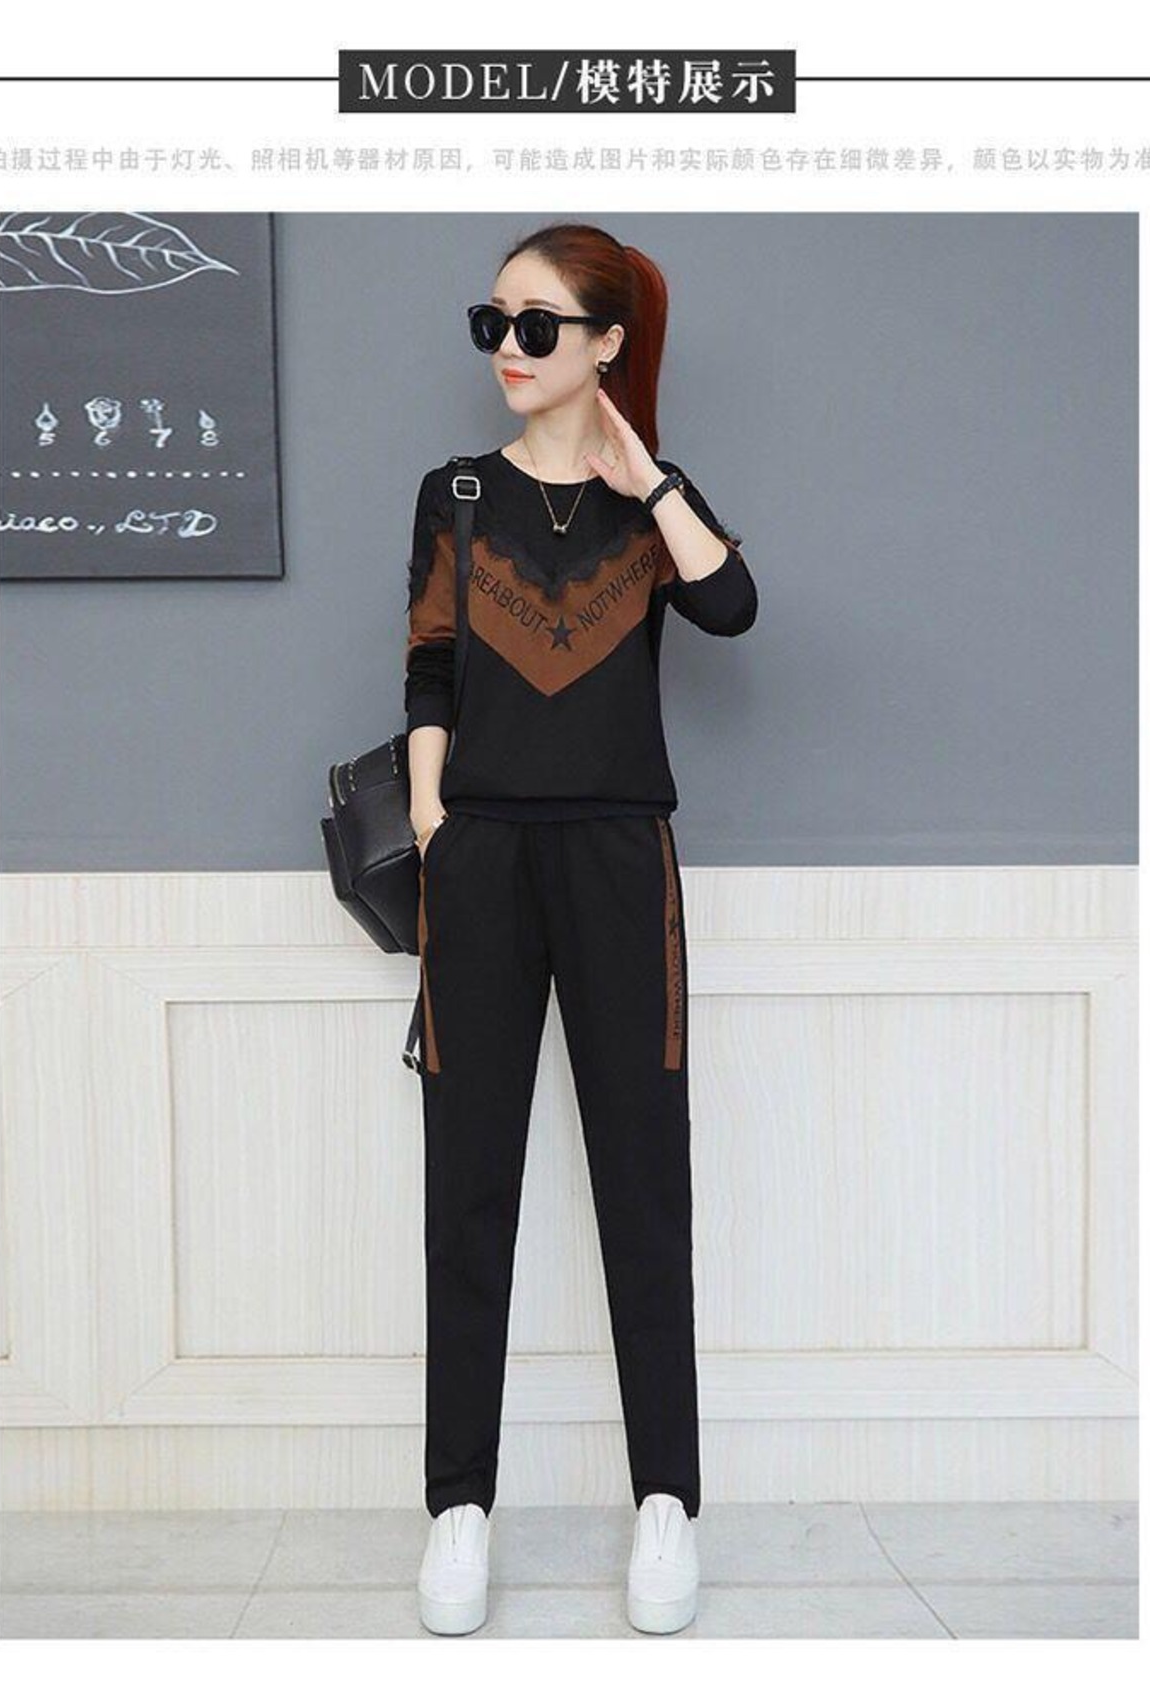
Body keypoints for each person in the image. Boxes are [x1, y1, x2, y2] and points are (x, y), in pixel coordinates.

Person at [405, 221, 759, 1636]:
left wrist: (647, 476)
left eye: (539, 325)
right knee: (466, 1188)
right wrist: (433, 819)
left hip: (621, 858)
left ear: (606, 344)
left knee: (643, 1183)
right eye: (492, 320)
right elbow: (430, 664)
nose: (508, 346)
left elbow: (732, 606)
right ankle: (459, 1510)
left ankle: (666, 1502)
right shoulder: (455, 494)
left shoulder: (651, 506)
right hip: (480, 860)